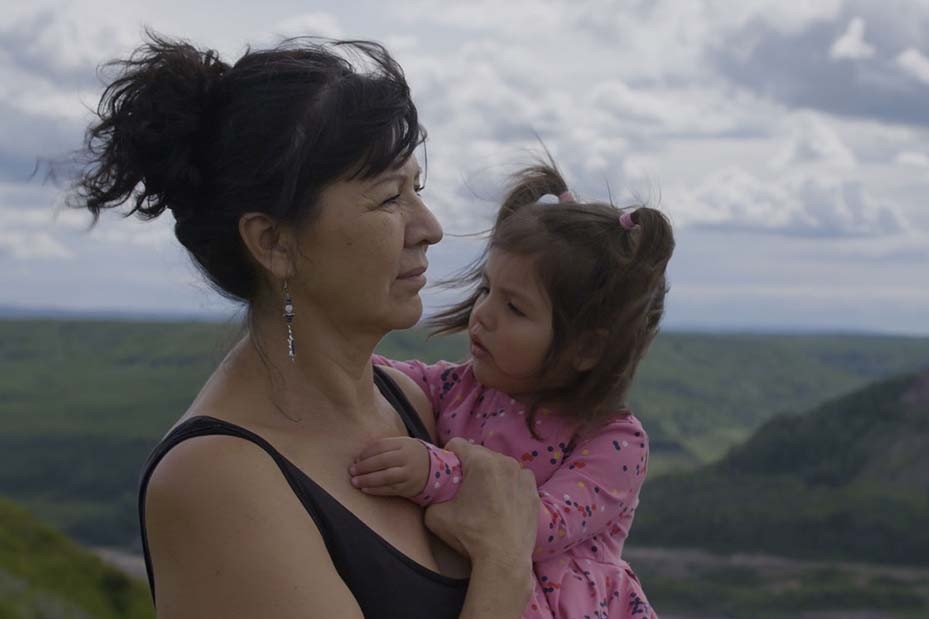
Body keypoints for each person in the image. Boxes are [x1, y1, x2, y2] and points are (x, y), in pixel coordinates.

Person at [70, 32, 540, 618]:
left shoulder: (411, 401)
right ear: (274, 244)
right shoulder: (216, 483)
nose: (430, 226)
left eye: (416, 189)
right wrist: (504, 559)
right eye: (390, 198)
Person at [352, 161, 674, 618]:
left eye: (515, 307)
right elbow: (379, 372)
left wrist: (433, 472)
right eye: (486, 289)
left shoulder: (614, 441)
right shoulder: (465, 385)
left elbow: (535, 524)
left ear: (586, 348)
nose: (482, 314)